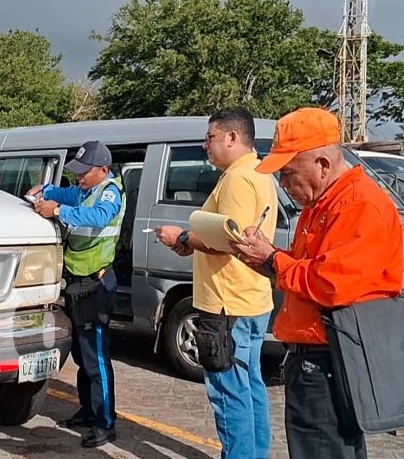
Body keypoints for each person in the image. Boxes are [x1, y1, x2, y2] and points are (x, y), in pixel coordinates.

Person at [232, 107, 403, 459]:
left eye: (288, 173)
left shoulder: (358, 204)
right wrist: (265, 257)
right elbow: (303, 273)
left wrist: (270, 258)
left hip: (330, 360)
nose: (283, 185)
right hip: (317, 358)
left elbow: (330, 284)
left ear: (322, 164)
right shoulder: (323, 202)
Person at [155, 107, 277, 459]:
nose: (205, 145)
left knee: (229, 395)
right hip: (250, 300)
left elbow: (230, 241)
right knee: (250, 388)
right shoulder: (258, 171)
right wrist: (191, 242)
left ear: (232, 137)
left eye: (209, 137)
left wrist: (182, 238)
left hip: (228, 305)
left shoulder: (238, 179)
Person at [27, 140, 125, 448]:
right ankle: (87, 410)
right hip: (77, 284)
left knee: (96, 357)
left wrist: (56, 210)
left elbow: (96, 217)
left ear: (103, 170)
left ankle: (105, 422)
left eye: (85, 172)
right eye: (77, 171)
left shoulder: (110, 192)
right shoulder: (83, 190)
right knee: (83, 355)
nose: (79, 177)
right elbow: (62, 192)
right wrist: (42, 190)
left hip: (96, 285)